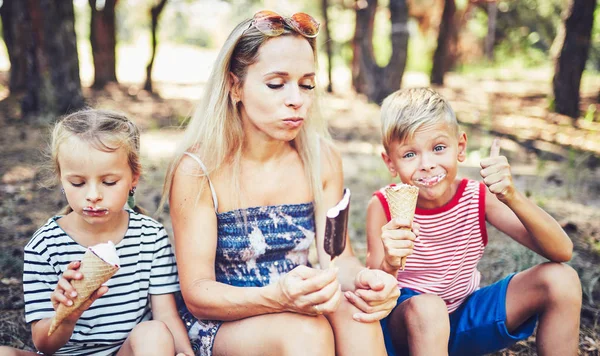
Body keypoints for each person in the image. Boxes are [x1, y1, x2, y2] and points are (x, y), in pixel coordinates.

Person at [161, 10, 400, 356]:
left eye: (307, 84)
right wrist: (277, 297)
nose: (296, 99)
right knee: (306, 332)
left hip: (298, 304)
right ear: (235, 85)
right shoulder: (198, 170)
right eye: (276, 84)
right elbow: (198, 294)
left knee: (355, 314)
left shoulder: (321, 159)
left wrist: (366, 282)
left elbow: (340, 258)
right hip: (224, 324)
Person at [366, 88, 582, 356]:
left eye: (438, 148)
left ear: (461, 147)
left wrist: (512, 196)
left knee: (562, 279)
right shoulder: (383, 206)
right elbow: (375, 290)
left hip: (465, 319)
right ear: (390, 162)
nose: (427, 164)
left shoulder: (478, 196)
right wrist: (390, 260)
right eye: (410, 154)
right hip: (409, 328)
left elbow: (562, 250)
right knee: (429, 309)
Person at [2, 109, 193, 356]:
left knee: (154, 332)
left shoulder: (150, 237)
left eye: (109, 182)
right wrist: (68, 314)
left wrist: (187, 354)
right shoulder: (44, 245)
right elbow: (43, 344)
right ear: (61, 178)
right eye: (78, 183)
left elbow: (166, 315)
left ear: (134, 177)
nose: (93, 195)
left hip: (122, 352)